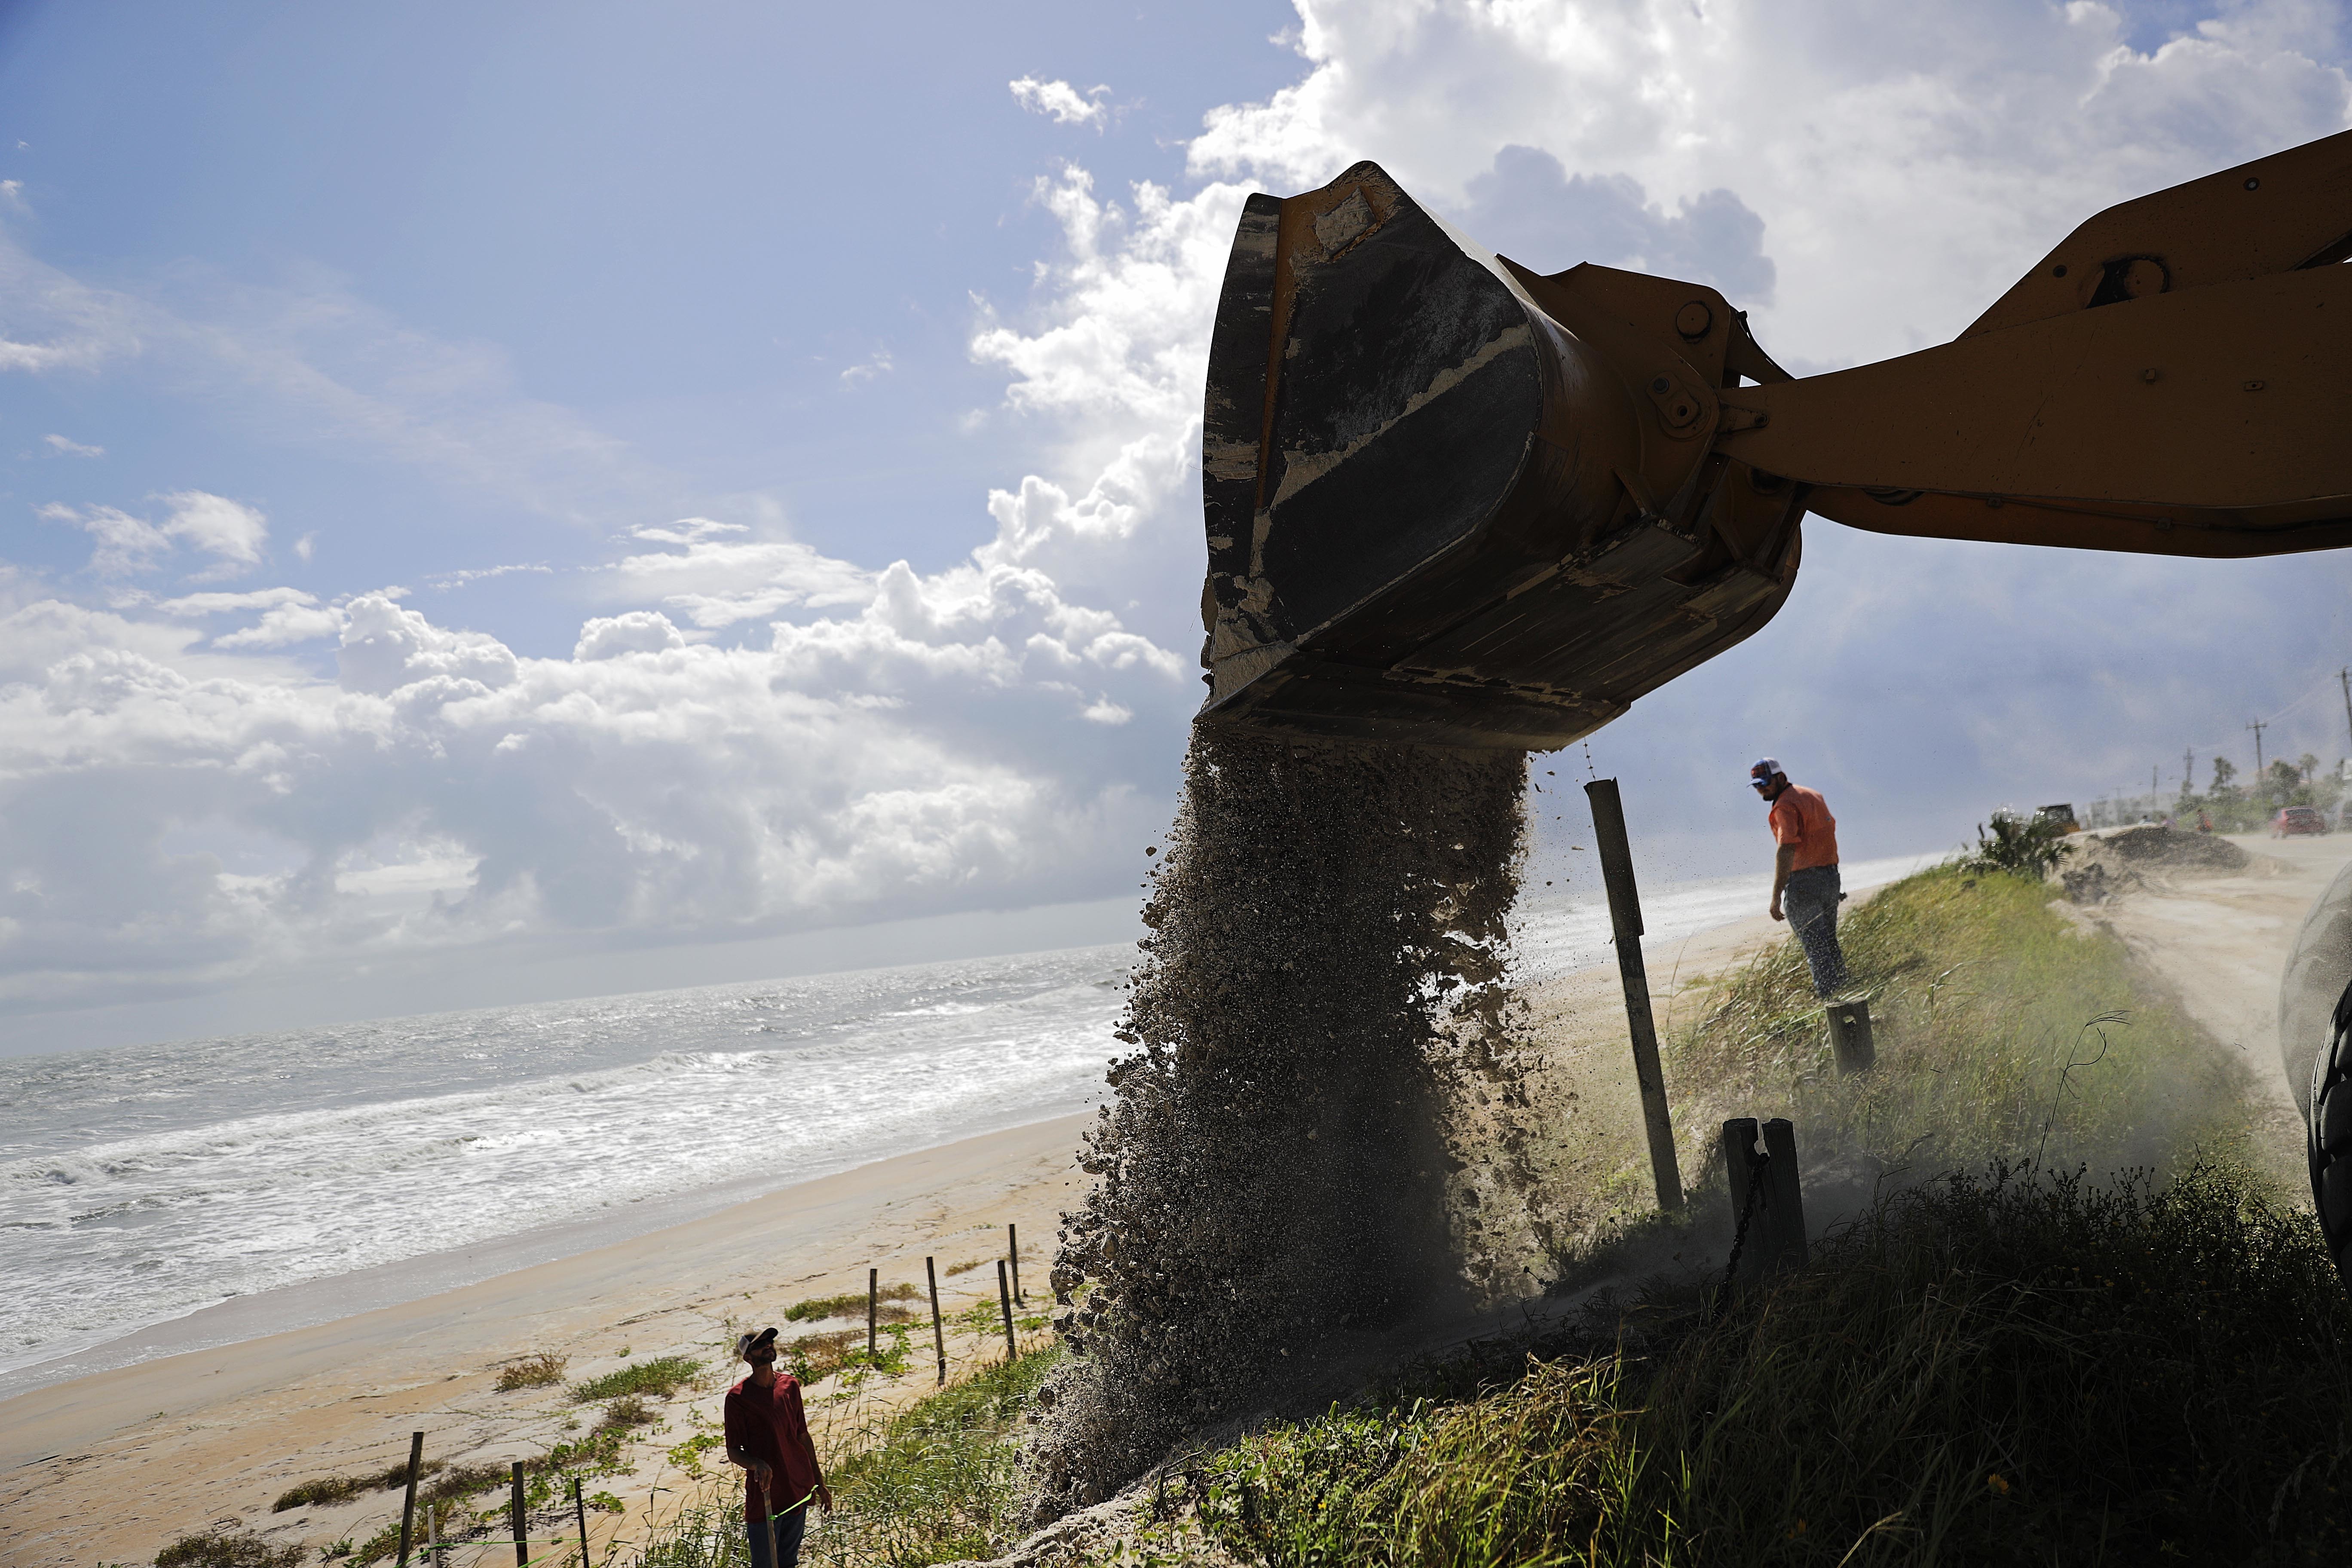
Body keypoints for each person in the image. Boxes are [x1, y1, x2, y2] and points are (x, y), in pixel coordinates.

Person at [724, 1328, 832, 1568]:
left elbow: (803, 1436)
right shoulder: (737, 1399)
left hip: (797, 1488)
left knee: (788, 1562)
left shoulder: (790, 1386)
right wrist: (757, 1464)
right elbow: (733, 1451)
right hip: (766, 1494)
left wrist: (819, 1484)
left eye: (770, 1341)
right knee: (765, 1564)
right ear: (748, 1358)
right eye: (760, 1344)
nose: (768, 1346)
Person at [1750, 757, 1848, 998]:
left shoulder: (1784, 806)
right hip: (1830, 878)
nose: (1761, 789)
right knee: (1829, 943)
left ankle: (1831, 1002)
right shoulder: (1813, 795)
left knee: (1817, 950)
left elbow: (1786, 848)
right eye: (1756, 785)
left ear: (1781, 778)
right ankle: (1847, 992)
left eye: (1765, 783)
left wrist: (1775, 897)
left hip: (1804, 885)